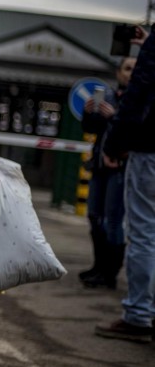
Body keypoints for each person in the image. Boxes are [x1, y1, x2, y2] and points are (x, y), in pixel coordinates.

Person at [96, 27, 154, 343]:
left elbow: (140, 90)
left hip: (150, 149)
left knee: (143, 232)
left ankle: (138, 315)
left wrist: (114, 142)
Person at [79, 56, 136, 289]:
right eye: (126, 68)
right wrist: (89, 113)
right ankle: (99, 266)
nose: (130, 73)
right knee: (94, 215)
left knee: (113, 221)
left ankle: (109, 273)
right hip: (100, 167)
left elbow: (135, 132)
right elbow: (92, 129)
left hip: (121, 168)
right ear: (118, 72)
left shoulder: (137, 101)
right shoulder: (108, 95)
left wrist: (115, 117)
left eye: (134, 69)